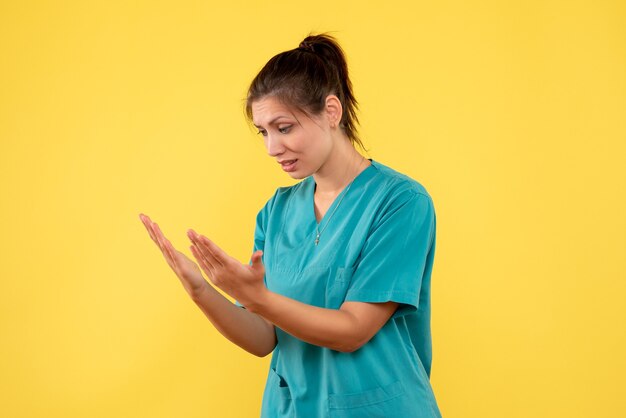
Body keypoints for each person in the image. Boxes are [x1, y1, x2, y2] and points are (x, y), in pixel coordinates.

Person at [139, 33, 442, 418]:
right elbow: (263, 337)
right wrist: (202, 290)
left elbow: (352, 331)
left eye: (284, 128)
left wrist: (257, 297)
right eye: (263, 132)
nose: (271, 147)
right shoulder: (276, 211)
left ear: (332, 111)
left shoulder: (400, 202)